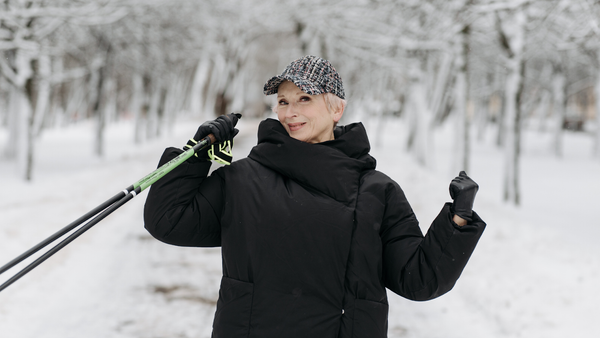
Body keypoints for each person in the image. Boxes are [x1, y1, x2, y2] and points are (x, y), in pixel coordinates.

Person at [144, 55, 486, 338]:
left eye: (304, 99)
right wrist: (197, 154)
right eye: (283, 101)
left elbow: (419, 279)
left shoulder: (376, 191)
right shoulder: (244, 178)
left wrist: (458, 219)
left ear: (336, 109)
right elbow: (168, 221)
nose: (290, 112)